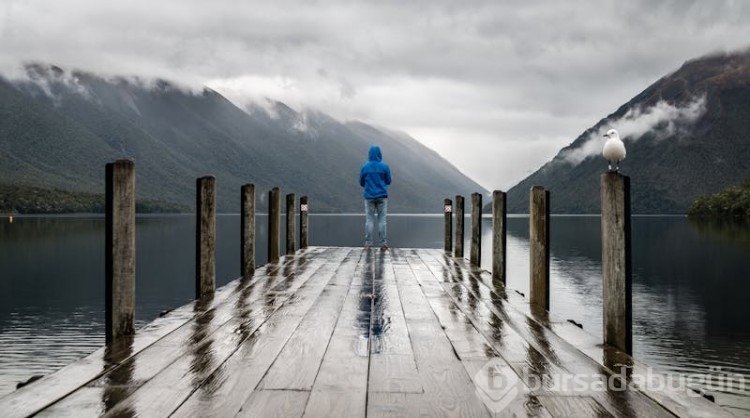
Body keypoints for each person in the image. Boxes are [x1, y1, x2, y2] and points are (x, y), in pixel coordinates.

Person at [359, 145, 392, 250]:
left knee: (369, 220)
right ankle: (383, 243)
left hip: (369, 197)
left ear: (369, 154)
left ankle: (368, 243)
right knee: (382, 220)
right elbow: (389, 181)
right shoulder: (385, 166)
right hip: (382, 196)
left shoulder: (365, 167)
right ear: (380, 154)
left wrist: (369, 185)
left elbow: (361, 182)